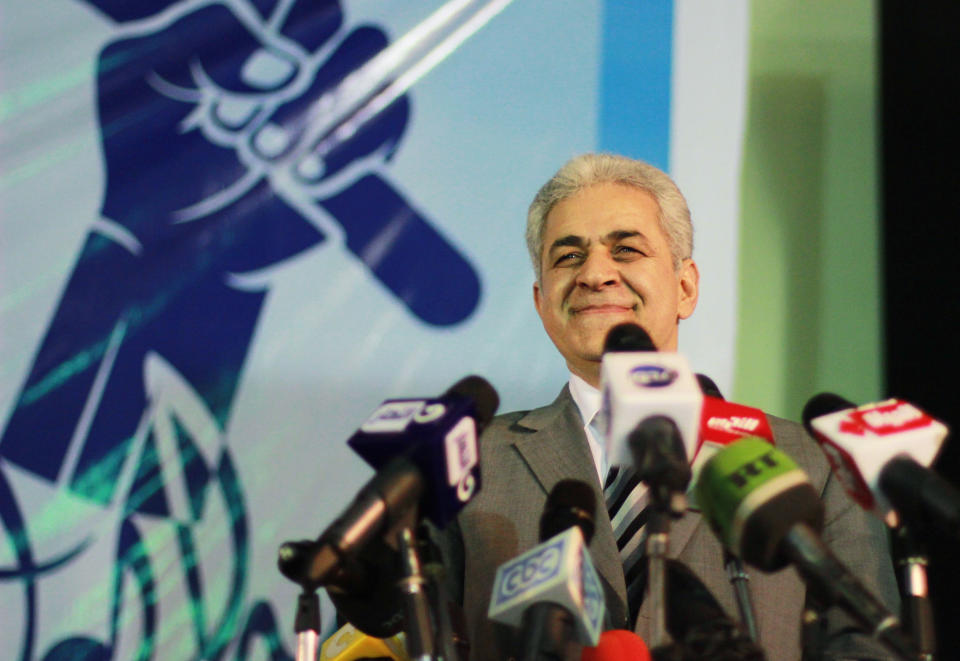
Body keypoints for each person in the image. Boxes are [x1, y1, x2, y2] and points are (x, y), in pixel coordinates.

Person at [443, 153, 900, 660]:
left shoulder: (812, 463)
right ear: (541, 301)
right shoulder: (470, 460)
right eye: (568, 257)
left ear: (685, 286)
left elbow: (870, 650)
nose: (595, 273)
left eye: (626, 250)